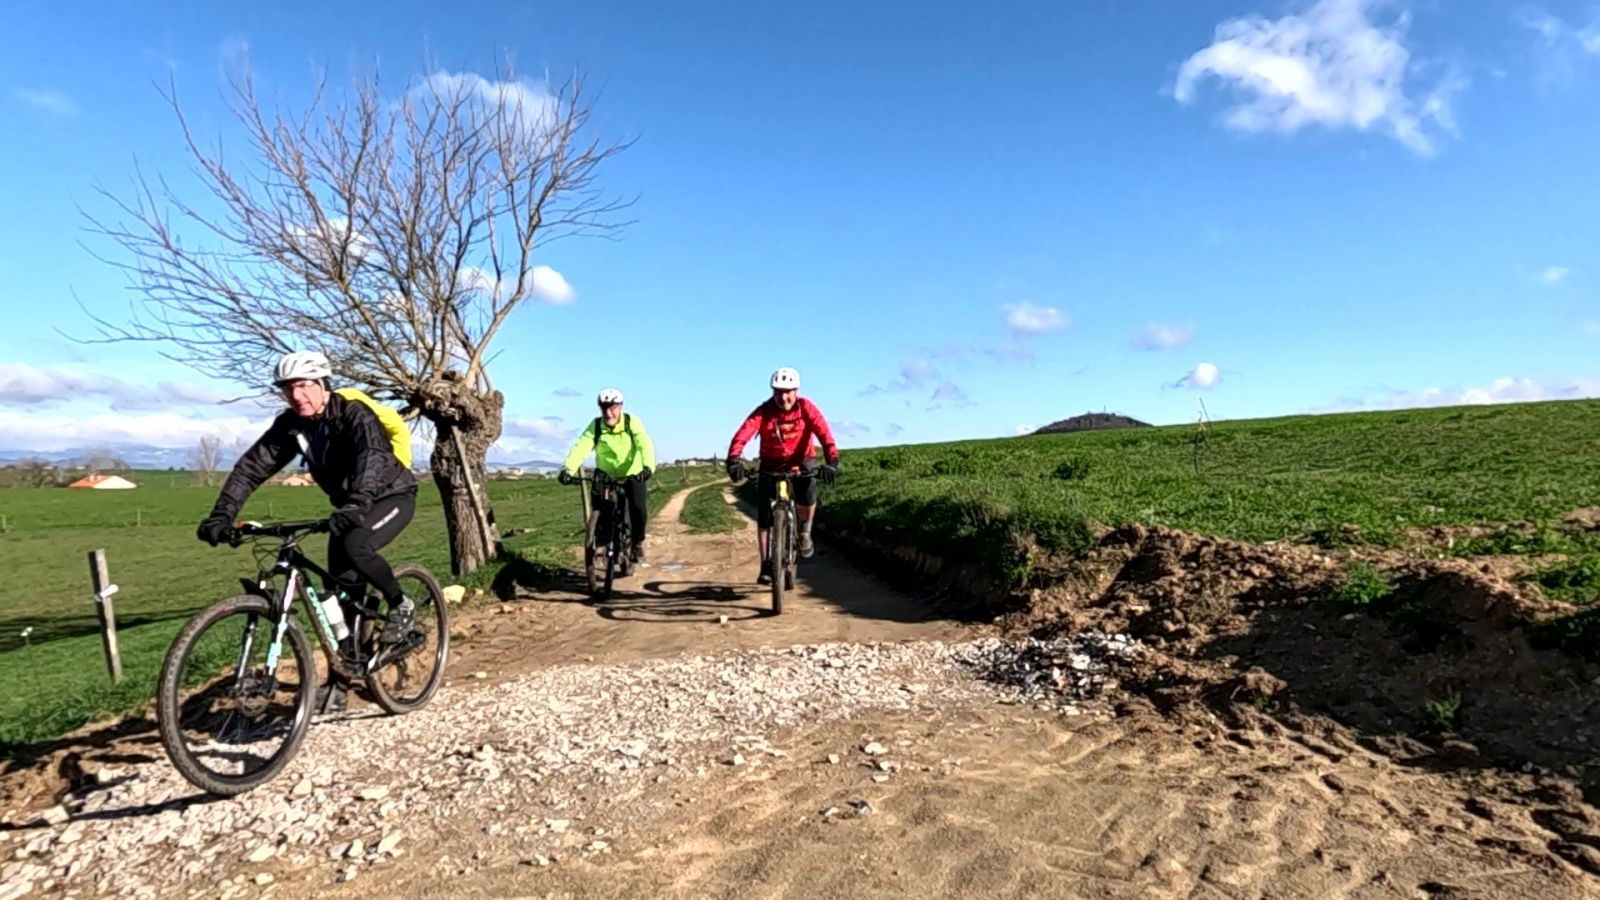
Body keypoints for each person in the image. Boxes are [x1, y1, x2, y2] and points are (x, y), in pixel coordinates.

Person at [196, 351, 419, 710]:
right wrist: (222, 515)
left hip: (390, 495)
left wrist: (357, 502)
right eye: (288, 389)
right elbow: (251, 468)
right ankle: (341, 684)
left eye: (303, 386)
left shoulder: (354, 413)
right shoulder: (291, 426)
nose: (296, 395)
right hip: (349, 508)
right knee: (339, 595)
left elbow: (372, 457)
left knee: (357, 546)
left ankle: (400, 603)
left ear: (323, 384)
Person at [726, 366, 839, 583]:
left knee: (808, 494)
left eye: (787, 392)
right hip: (771, 463)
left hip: (801, 460)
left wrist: (832, 461)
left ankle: (805, 532)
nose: (783, 397)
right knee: (764, 514)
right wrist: (734, 459)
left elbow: (824, 433)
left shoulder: (806, 408)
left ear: (796, 391)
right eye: (778, 392)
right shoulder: (765, 411)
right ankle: (765, 563)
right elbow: (744, 433)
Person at [558, 388, 657, 563]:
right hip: (606, 474)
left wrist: (648, 467)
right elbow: (581, 446)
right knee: (600, 504)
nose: (608, 413)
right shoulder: (596, 426)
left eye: (613, 408)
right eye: (604, 408)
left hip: (632, 473)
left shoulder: (631, 422)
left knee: (638, 508)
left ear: (620, 406)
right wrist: (568, 469)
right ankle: (602, 539)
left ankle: (637, 543)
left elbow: (644, 444)